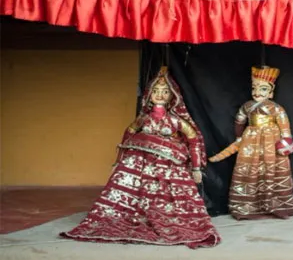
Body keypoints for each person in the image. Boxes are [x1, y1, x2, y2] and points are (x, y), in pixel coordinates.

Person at [62, 67, 220, 249]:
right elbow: (128, 134)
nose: (160, 95)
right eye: (156, 91)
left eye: (165, 92)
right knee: (132, 195)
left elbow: (193, 140)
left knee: (170, 201)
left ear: (173, 96)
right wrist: (118, 161)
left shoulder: (177, 121)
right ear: (149, 94)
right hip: (139, 163)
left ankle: (167, 219)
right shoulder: (143, 119)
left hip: (168, 167)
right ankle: (132, 216)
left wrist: (196, 168)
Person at [210, 66, 293, 220]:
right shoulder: (247, 106)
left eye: (263, 89)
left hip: (271, 141)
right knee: (249, 169)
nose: (257, 92)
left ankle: (276, 206)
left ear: (271, 92)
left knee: (272, 168)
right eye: (254, 88)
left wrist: (286, 142)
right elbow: (239, 121)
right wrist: (239, 138)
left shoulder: (276, 109)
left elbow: (285, 127)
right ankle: (247, 207)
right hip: (250, 140)